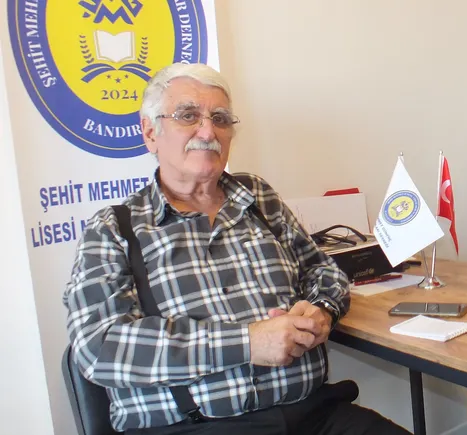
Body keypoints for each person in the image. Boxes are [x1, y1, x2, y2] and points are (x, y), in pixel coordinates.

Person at [63, 63, 410, 435]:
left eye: (220, 119)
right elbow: (99, 348)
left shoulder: (258, 197)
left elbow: (324, 271)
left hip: (312, 414)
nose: (208, 131)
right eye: (188, 116)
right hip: (196, 427)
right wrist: (247, 342)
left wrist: (322, 310)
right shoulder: (114, 228)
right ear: (150, 132)